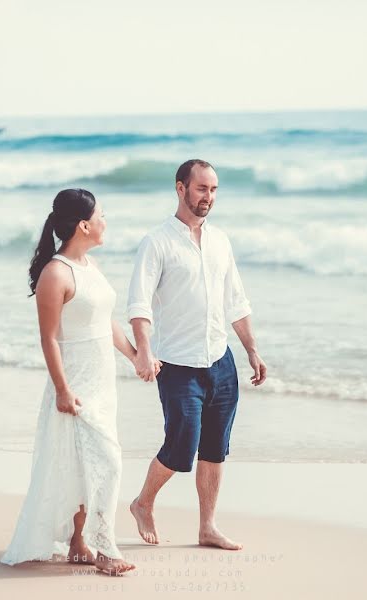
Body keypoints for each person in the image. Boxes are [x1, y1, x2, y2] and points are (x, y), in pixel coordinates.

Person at [127, 159, 267, 550]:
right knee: (181, 445)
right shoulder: (157, 242)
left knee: (215, 448)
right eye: (202, 188)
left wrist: (252, 350)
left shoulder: (221, 241)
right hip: (177, 364)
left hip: (220, 361)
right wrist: (143, 351)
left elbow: (236, 301)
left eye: (214, 190)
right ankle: (142, 502)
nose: (209, 197)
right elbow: (139, 304)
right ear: (181, 188)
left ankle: (207, 527)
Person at [0, 188, 140, 575]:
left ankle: (79, 544)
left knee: (82, 466)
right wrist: (62, 389)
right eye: (101, 216)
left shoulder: (90, 267)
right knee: (108, 462)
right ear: (83, 225)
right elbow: (48, 338)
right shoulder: (56, 273)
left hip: (102, 382)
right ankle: (107, 550)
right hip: (74, 383)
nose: (105, 222)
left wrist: (132, 354)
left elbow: (104, 319)